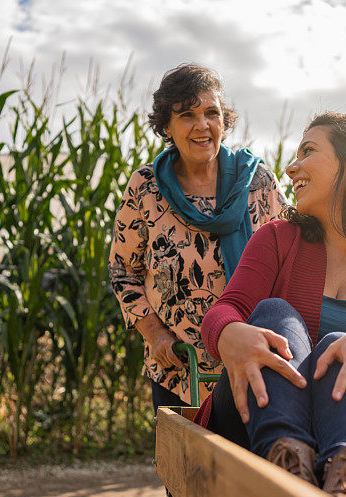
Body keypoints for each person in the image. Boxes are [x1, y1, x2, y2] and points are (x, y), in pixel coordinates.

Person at [196, 112, 346, 497]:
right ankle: (287, 467)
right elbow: (228, 309)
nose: (292, 167)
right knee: (275, 313)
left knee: (344, 342)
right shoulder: (276, 238)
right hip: (255, 428)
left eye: (308, 151)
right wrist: (228, 332)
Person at [108, 63, 286, 413]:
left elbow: (289, 262)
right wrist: (155, 335)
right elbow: (122, 270)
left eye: (211, 113)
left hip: (252, 364)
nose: (202, 125)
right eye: (187, 115)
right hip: (177, 368)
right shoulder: (146, 187)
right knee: (186, 464)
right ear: (166, 127)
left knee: (246, 466)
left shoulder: (257, 183)